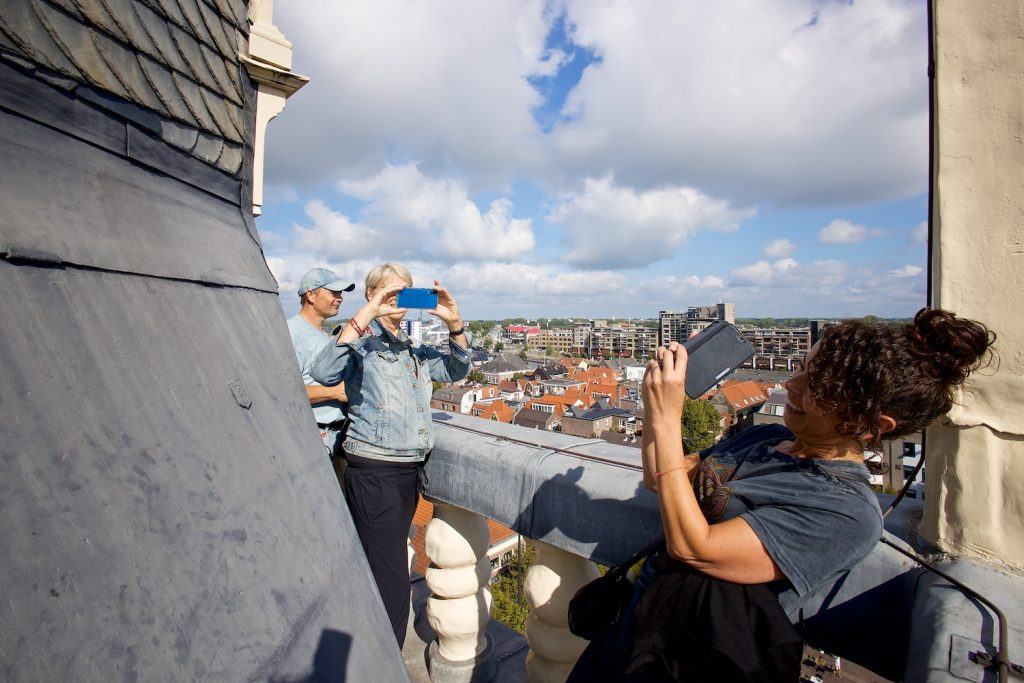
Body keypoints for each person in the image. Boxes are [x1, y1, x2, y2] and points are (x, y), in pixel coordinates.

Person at [572, 308, 994, 681]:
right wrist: (654, 405)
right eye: (803, 367)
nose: (791, 383)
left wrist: (668, 417)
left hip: (689, 656)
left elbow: (695, 547)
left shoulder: (846, 509)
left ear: (872, 426)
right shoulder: (767, 435)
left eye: (817, 387)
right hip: (638, 621)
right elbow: (660, 479)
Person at [310, 262, 472, 647]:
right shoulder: (360, 341)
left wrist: (455, 324)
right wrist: (368, 314)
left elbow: (457, 369)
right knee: (393, 583)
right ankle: (384, 662)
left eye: (405, 292)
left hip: (405, 473)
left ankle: (366, 649)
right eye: (388, 292)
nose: (397, 300)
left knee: (378, 569)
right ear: (372, 295)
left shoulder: (412, 346)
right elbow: (323, 371)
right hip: (374, 471)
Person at [286, 268, 356, 468]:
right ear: (311, 295)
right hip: (314, 436)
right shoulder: (291, 333)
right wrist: (337, 392)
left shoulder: (322, 332)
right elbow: (285, 392)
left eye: (341, 294)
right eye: (333, 293)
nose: (340, 298)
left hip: (335, 433)